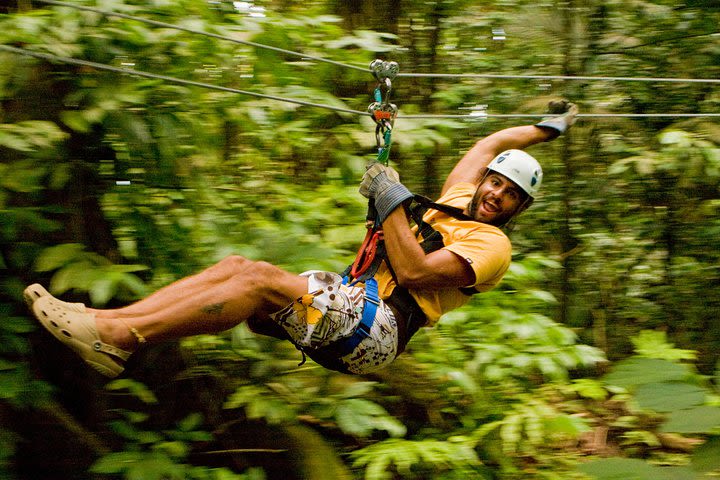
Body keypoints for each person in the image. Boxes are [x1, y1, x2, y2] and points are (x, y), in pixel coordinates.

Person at [26, 101, 578, 378]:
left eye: (510, 195)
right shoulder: (460, 194)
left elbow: (413, 274)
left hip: (380, 329)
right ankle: (113, 328)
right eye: (496, 184)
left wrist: (390, 199)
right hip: (352, 299)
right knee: (242, 266)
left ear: (518, 209)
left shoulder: (492, 248)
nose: (496, 195)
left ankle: (121, 337)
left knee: (261, 282)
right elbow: (491, 141)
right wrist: (546, 130)